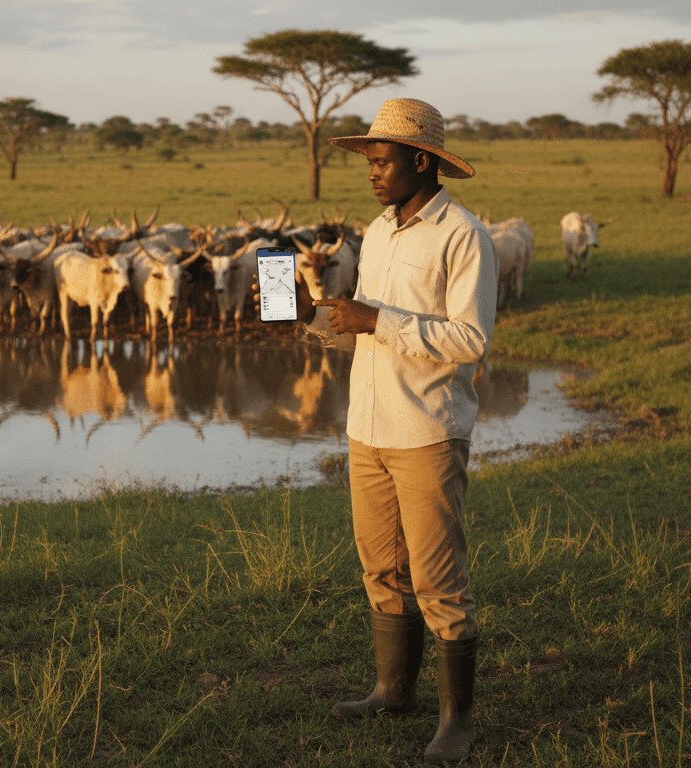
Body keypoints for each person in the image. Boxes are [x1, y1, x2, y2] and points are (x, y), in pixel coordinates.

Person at [281, 98, 498, 763]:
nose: (373, 174)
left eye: (383, 162)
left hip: (428, 430)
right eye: (369, 163)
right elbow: (367, 331)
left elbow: (470, 339)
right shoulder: (378, 231)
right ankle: (391, 690)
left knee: (438, 579)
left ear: (422, 161)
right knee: (381, 567)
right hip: (368, 425)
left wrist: (375, 320)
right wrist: (312, 318)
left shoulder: (464, 235)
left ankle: (456, 720)